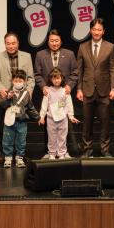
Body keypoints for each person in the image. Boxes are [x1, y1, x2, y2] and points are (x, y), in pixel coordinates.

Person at [76, 18, 114, 158]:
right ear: (90, 30)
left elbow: (113, 69)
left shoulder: (110, 47)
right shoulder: (82, 47)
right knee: (87, 122)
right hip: (87, 89)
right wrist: (79, 89)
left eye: (99, 30)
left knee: (105, 122)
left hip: (104, 90)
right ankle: (87, 149)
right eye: (94, 29)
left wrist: (113, 88)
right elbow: (79, 70)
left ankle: (105, 149)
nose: (96, 32)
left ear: (103, 31)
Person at [33, 29, 78, 158]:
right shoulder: (40, 55)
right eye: (52, 41)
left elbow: (75, 72)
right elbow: (37, 74)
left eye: (56, 40)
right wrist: (43, 87)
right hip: (49, 93)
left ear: (61, 41)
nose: (54, 43)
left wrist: (69, 85)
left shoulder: (69, 54)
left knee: (64, 125)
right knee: (49, 127)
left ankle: (64, 151)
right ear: (48, 41)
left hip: (63, 93)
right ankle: (50, 152)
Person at [0, 32, 34, 163]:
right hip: (5, 99)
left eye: (13, 43)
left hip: (21, 100)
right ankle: (4, 154)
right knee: (4, 129)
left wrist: (28, 92)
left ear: (18, 43)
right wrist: (1, 89)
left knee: (21, 129)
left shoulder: (26, 56)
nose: (11, 46)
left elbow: (31, 78)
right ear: (5, 44)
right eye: (8, 43)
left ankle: (20, 154)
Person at [0, 69, 39, 168]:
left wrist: (38, 117)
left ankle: (19, 158)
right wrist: (8, 98)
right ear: (12, 81)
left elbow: (30, 107)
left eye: (20, 81)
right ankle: (8, 158)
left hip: (22, 121)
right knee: (7, 140)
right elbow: (3, 105)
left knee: (21, 141)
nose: (18, 83)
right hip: (9, 121)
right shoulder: (8, 92)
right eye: (16, 81)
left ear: (24, 81)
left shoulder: (26, 94)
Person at [38, 68, 79, 159]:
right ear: (51, 79)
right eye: (54, 78)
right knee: (51, 137)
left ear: (62, 78)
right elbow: (44, 105)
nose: (56, 80)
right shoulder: (48, 91)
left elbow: (69, 104)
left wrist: (71, 116)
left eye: (58, 78)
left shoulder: (65, 91)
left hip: (63, 119)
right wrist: (42, 117)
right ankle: (52, 153)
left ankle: (61, 153)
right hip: (51, 119)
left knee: (62, 137)